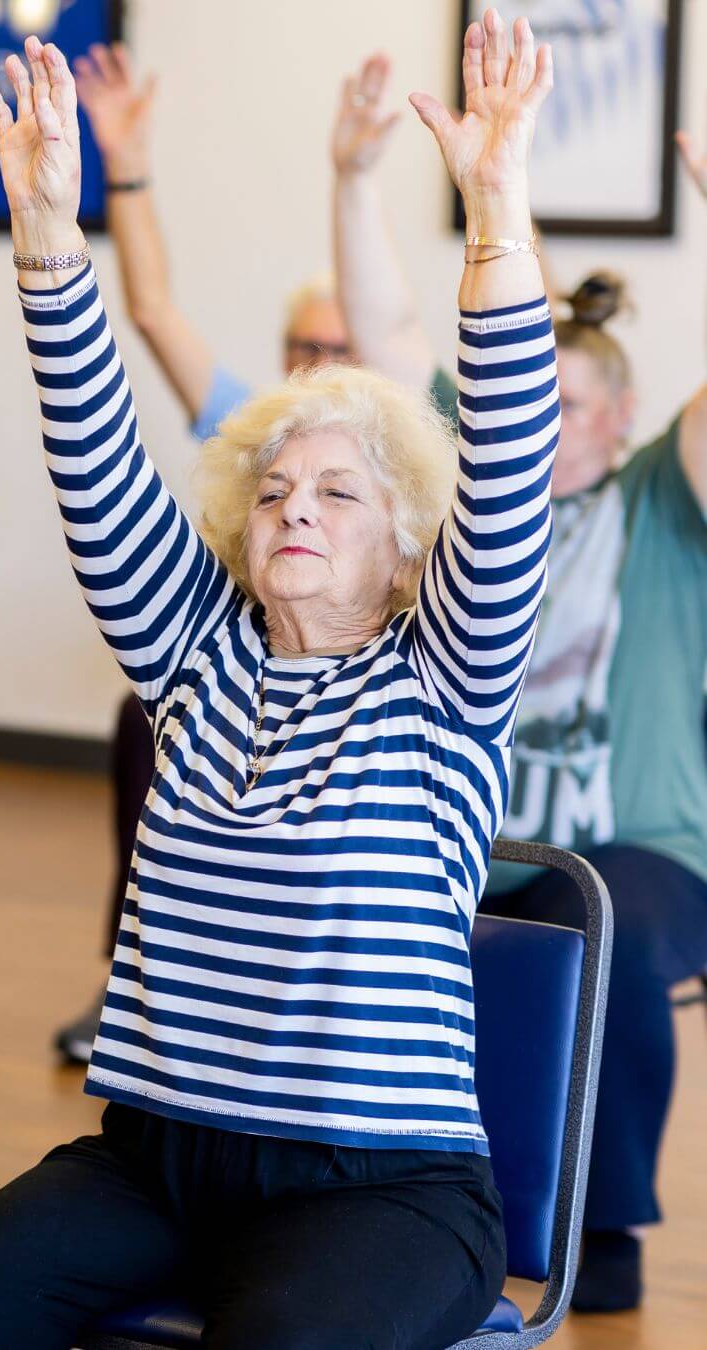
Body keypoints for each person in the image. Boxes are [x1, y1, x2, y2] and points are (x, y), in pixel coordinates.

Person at [0, 14, 557, 1347]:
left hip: (385, 1187)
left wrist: (494, 221)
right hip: (155, 1159)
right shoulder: (194, 653)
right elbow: (90, 444)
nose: (294, 507)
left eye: (338, 492)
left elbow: (512, 460)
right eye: (274, 489)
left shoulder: (445, 680)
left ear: (409, 541)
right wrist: (45, 237)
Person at [332, 52, 707, 1314]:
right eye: (537, 396)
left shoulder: (660, 498)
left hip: (640, 842)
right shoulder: (472, 497)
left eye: (579, 401)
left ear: (619, 417)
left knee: (609, 926)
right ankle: (396, 1185)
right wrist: (354, 174)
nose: (554, 420)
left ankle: (600, 1224)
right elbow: (386, 342)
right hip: (482, 827)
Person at [53, 42, 357, 1062]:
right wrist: (123, 164)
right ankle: (135, 984)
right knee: (144, 723)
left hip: (347, 723)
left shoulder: (407, 466)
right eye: (305, 348)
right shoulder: (252, 426)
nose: (321, 365)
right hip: (228, 696)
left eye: (341, 347)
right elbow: (148, 308)